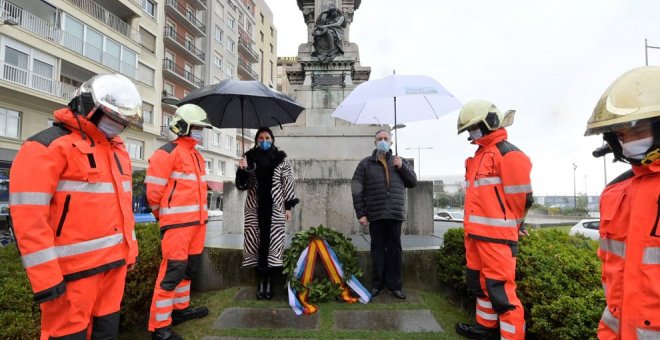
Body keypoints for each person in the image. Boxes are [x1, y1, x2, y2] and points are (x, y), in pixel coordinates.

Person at [8, 74, 141, 339]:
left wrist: (130, 252)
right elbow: (28, 218)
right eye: (113, 118)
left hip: (113, 269)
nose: (118, 125)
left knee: (107, 333)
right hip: (70, 276)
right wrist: (46, 278)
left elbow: (124, 209)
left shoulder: (118, 151)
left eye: (122, 121)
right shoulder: (45, 147)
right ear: (86, 104)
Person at [584, 66, 660, 339]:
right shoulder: (615, 190)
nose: (625, 139)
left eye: (635, 128)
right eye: (619, 133)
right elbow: (613, 276)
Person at [454, 100, 533, 340]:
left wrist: (517, 226)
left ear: (489, 123)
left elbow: (522, 198)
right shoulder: (479, 155)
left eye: (473, 128)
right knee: (480, 286)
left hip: (497, 239)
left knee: (502, 294)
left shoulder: (508, 154)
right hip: (475, 235)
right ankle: (485, 329)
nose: (471, 133)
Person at [145, 104, 213, 340]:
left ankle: (180, 311)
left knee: (188, 270)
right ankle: (159, 328)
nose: (200, 132)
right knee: (172, 273)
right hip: (177, 226)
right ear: (183, 126)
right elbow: (153, 195)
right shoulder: (166, 153)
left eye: (201, 128)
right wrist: (166, 217)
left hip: (198, 224)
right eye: (197, 127)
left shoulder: (196, 155)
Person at [351, 129, 417, 300]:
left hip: (394, 213)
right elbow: (357, 189)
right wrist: (361, 213)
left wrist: (402, 167)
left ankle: (395, 285)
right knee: (377, 250)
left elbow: (412, 182)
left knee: (395, 250)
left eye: (385, 138)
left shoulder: (399, 161)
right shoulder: (366, 164)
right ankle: (377, 284)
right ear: (374, 142)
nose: (382, 141)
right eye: (379, 139)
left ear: (391, 142)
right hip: (376, 213)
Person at [236, 127, 298, 300]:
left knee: (273, 245)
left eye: (267, 137)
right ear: (257, 140)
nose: (264, 140)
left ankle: (269, 282)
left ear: (272, 139)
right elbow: (243, 186)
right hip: (254, 209)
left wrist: (288, 207)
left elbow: (287, 183)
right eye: (261, 138)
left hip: (275, 209)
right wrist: (242, 170)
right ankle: (260, 282)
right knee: (255, 243)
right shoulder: (249, 157)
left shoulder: (281, 159)